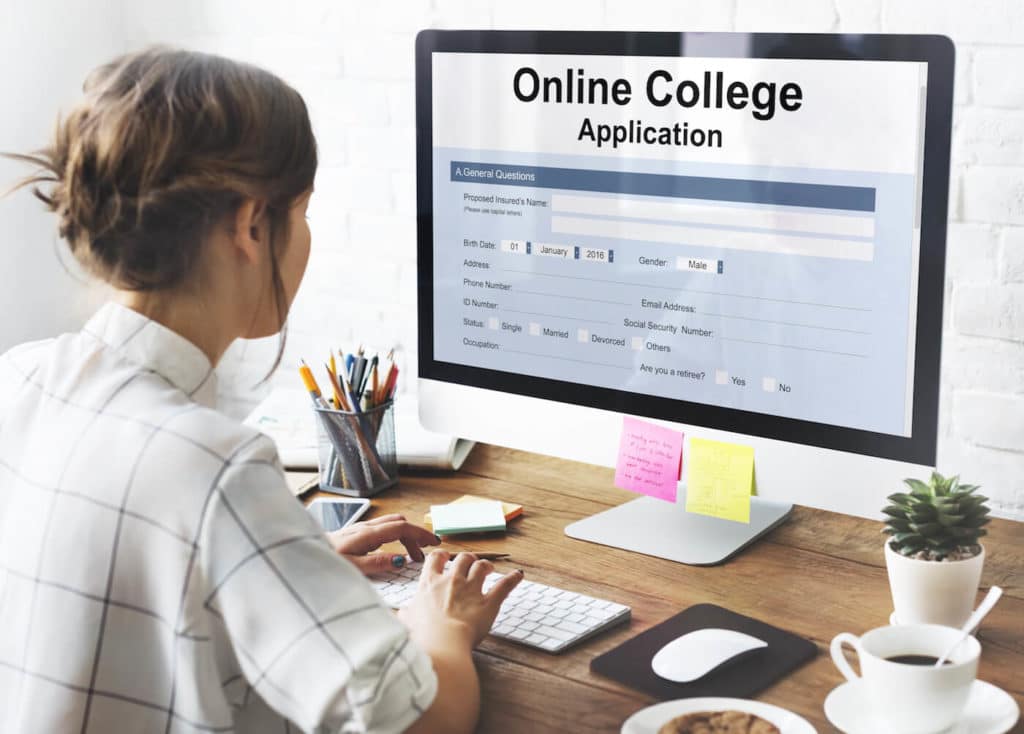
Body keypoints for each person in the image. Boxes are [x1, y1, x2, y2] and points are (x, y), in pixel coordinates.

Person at [0, 47, 521, 734]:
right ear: (250, 226)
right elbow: (420, 720)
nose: (302, 237)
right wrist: (441, 625)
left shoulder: (19, 377)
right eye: (300, 213)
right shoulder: (215, 466)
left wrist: (280, 562)